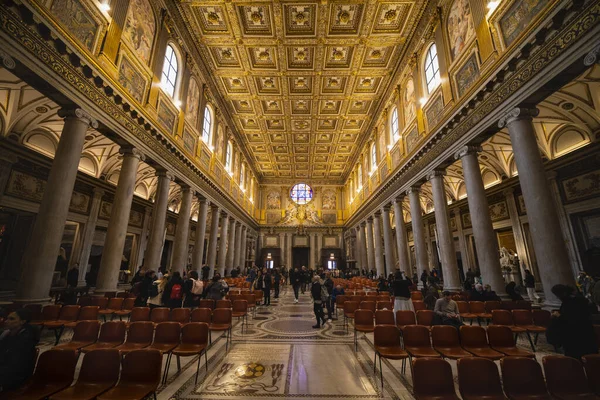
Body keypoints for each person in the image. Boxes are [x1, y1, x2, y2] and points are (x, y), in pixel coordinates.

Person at [547, 284, 598, 359]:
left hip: (574, 337)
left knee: (576, 359)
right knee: (591, 360)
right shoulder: (579, 300)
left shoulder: (569, 302)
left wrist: (559, 316)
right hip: (587, 333)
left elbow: (572, 319)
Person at [0, 308, 39, 393]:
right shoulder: (6, 335)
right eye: (7, 318)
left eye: (12, 319)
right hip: (5, 371)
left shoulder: (26, 339)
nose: (6, 321)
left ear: (22, 321)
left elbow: (16, 364)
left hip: (17, 376)